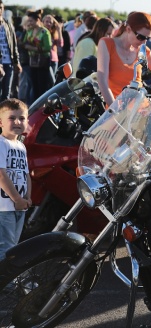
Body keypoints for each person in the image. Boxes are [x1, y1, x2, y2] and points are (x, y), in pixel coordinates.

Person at [97, 11, 151, 107]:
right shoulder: (107, 44)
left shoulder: (142, 50)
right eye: (141, 37)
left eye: (147, 38)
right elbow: (102, 79)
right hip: (115, 113)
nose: (144, 42)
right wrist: (114, 109)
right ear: (128, 29)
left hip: (139, 112)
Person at [0, 98, 31, 260]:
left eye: (22, 118)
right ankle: (6, 284)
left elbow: (26, 173)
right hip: (4, 208)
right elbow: (1, 174)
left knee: (14, 247)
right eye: (12, 118)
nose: (17, 122)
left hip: (19, 206)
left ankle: (10, 281)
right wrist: (17, 199)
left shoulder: (21, 146)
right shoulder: (1, 143)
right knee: (5, 248)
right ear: (1, 122)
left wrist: (28, 197)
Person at [24, 9, 53, 100]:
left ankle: (43, 106)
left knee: (42, 86)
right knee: (34, 85)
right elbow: (24, 43)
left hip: (43, 62)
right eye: (28, 21)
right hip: (32, 61)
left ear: (37, 20)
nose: (29, 23)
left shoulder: (44, 32)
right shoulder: (29, 31)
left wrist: (34, 48)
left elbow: (48, 47)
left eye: (31, 21)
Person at [0, 0, 21, 101]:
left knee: (6, 93)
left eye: (1, 8)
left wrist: (17, 62)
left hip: (8, 62)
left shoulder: (7, 24)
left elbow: (14, 44)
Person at [42, 14, 63, 82]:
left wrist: (59, 30)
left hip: (54, 59)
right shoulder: (41, 32)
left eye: (50, 22)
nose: (48, 23)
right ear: (43, 22)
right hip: (44, 59)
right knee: (51, 81)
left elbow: (60, 44)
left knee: (51, 80)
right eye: (46, 21)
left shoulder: (54, 33)